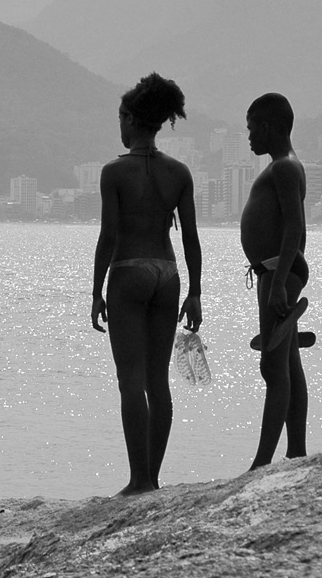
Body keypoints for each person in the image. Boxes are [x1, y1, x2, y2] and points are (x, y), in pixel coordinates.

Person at [91, 73, 203, 496]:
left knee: (130, 380)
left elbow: (109, 237)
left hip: (129, 271)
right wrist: (194, 292)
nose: (118, 125)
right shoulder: (179, 172)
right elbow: (190, 237)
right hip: (168, 273)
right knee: (159, 383)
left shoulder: (114, 173)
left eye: (121, 117)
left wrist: (95, 291)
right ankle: (153, 479)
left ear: (133, 120)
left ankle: (138, 480)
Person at [240, 92, 309, 471]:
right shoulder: (285, 166)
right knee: (288, 364)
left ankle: (262, 462)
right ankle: (296, 451)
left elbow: (295, 229)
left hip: (278, 272)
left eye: (252, 129)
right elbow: (298, 231)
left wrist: (281, 281)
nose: (249, 137)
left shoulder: (284, 167)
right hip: (276, 270)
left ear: (268, 127)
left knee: (272, 367)